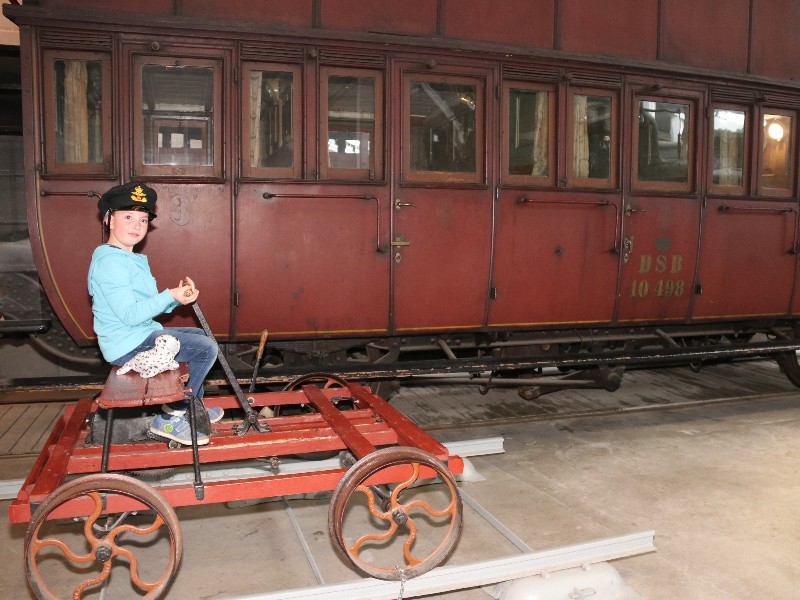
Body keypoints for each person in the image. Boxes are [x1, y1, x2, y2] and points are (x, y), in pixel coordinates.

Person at [87, 181, 222, 446]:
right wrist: (169, 295)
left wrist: (176, 300)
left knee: (200, 336)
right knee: (205, 349)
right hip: (126, 343)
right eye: (128, 217)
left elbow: (145, 306)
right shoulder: (110, 262)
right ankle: (172, 416)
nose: (137, 225)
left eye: (143, 219)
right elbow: (130, 315)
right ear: (109, 220)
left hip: (139, 333)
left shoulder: (128, 258)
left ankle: (193, 407)